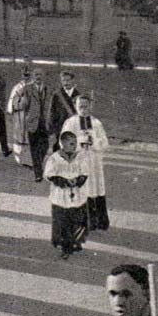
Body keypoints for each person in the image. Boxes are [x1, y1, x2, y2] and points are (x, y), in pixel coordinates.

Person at [62, 95, 110, 232]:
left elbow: (105, 142)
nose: (83, 109)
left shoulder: (96, 123)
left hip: (93, 162)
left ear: (90, 106)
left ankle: (97, 222)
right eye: (80, 106)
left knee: (95, 190)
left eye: (86, 106)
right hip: (78, 162)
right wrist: (79, 141)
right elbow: (63, 141)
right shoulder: (70, 123)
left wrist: (94, 142)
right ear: (76, 107)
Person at [45, 131, 90, 259]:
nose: (74, 146)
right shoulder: (54, 158)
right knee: (62, 222)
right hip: (61, 196)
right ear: (62, 143)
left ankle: (76, 242)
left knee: (77, 220)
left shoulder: (80, 157)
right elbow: (49, 175)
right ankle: (63, 245)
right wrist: (63, 181)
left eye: (75, 143)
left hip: (76, 194)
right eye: (71, 143)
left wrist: (78, 180)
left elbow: (85, 172)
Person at [27, 68, 51, 182]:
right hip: (32, 123)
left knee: (44, 147)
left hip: (44, 123)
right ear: (33, 76)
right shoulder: (27, 89)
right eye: (36, 74)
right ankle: (38, 173)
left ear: (44, 76)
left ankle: (39, 165)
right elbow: (20, 104)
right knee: (34, 148)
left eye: (40, 74)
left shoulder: (48, 89)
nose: (38, 77)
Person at [47, 71, 80, 152]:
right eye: (63, 81)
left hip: (73, 131)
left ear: (73, 80)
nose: (65, 83)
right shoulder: (56, 95)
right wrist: (51, 131)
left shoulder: (79, 96)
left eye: (68, 80)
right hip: (59, 130)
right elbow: (51, 113)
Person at [6, 69, 33, 167]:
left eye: (28, 75)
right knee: (19, 138)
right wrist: (13, 109)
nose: (26, 77)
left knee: (29, 138)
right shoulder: (17, 87)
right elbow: (11, 101)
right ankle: (20, 159)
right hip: (19, 116)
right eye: (24, 75)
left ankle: (30, 160)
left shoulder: (34, 86)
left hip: (30, 116)